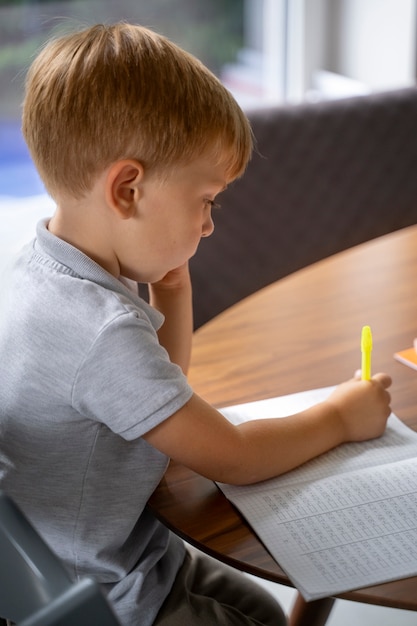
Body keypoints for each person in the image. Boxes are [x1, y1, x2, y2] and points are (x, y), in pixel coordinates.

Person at [0, 22, 392, 626]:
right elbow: (232, 457)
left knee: (260, 605)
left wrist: (173, 286)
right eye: (206, 200)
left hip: (110, 554)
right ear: (128, 189)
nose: (209, 225)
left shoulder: (43, 268)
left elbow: (160, 387)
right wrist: (342, 415)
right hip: (109, 599)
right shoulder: (98, 330)